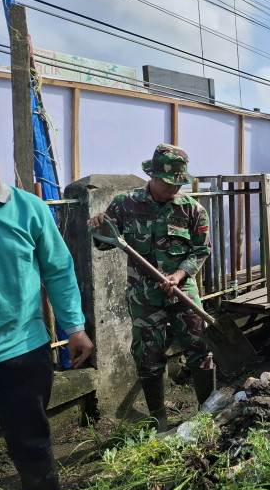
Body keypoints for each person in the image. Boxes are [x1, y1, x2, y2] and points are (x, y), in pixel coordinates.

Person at [0, 128, 93, 490]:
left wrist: (74, 328)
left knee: (31, 442)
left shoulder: (29, 210)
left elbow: (58, 271)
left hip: (20, 350)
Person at [87, 145, 214, 432]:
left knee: (199, 347)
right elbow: (104, 241)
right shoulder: (124, 204)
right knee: (148, 355)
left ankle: (208, 414)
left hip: (182, 289)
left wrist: (179, 274)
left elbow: (201, 250)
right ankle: (159, 419)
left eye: (178, 184)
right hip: (144, 293)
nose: (173, 189)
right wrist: (101, 228)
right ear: (152, 176)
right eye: (168, 183)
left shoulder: (192, 209)